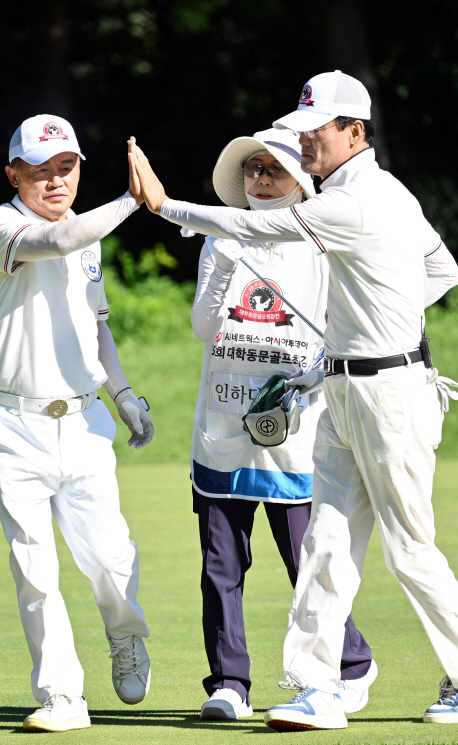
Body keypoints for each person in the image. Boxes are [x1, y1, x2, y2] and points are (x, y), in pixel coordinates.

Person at [128, 69, 458, 730]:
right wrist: (372, 324)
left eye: (315, 132)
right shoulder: (387, 194)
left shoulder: (360, 200)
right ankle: (316, 684)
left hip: (391, 393)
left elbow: (261, 230)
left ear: (354, 131)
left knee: (408, 548)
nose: (304, 144)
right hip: (342, 383)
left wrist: (165, 207)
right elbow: (440, 270)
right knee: (327, 540)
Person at [0, 114, 154, 733]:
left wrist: (124, 393)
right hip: (10, 425)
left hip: (83, 422)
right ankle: (61, 695)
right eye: (41, 169)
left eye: (67, 167)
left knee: (108, 558)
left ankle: (125, 635)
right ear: (14, 173)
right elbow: (55, 244)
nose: (55, 180)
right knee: (35, 569)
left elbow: (94, 323)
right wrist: (134, 200)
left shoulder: (87, 237)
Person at [189, 128, 375, 721]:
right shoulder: (220, 242)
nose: (263, 179)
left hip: (297, 430)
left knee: (308, 559)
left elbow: (339, 330)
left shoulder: (322, 243)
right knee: (221, 564)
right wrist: (223, 256)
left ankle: (349, 663)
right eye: (254, 170)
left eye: (276, 169)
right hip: (222, 427)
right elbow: (203, 327)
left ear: (303, 180)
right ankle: (229, 684)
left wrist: (309, 381)